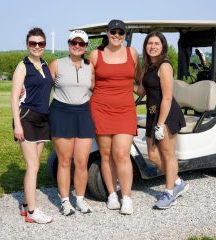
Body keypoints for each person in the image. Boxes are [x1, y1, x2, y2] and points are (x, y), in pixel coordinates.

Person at [88, 20, 140, 215]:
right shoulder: (95, 55)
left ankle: (126, 197)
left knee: (122, 154)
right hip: (101, 109)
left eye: (120, 32)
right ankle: (111, 194)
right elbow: (89, 83)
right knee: (106, 154)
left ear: (125, 34)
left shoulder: (132, 53)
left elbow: (138, 81)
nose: (117, 35)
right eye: (113, 31)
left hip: (126, 110)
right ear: (107, 33)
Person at [135, 31, 189, 209]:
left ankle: (168, 192)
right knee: (152, 155)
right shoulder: (148, 66)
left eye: (156, 43)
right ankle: (178, 182)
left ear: (163, 46)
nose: (152, 46)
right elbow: (141, 91)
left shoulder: (164, 66)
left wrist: (160, 124)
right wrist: (121, 79)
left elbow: (167, 98)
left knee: (167, 154)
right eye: (149, 43)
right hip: (152, 114)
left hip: (166, 114)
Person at [48, 30, 95, 216]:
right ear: (69, 44)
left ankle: (80, 200)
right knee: (65, 160)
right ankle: (65, 201)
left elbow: (97, 87)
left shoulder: (90, 66)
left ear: (85, 47)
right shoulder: (57, 64)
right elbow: (42, 87)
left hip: (83, 113)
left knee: (82, 161)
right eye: (74, 43)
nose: (77, 46)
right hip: (61, 112)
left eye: (81, 44)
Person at [11, 27, 53, 223]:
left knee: (34, 165)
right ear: (27, 45)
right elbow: (13, 98)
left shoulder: (45, 64)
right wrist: (17, 125)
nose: (37, 46)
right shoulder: (23, 66)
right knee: (33, 165)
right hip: (26, 117)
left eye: (40, 43)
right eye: (33, 43)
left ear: (44, 45)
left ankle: (27, 204)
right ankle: (33, 213)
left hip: (43, 119)